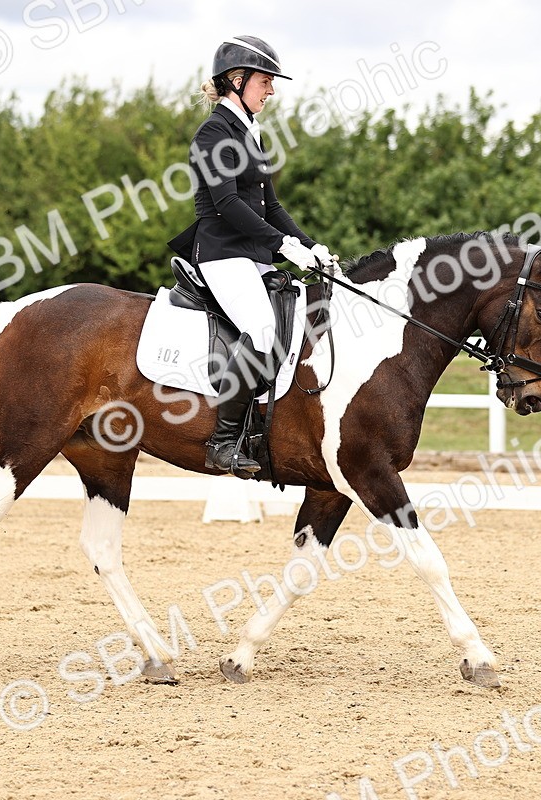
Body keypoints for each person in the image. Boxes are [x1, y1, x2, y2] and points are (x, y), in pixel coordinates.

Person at [169, 35, 337, 475]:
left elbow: (272, 206)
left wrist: (308, 245)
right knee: (262, 331)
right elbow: (226, 203)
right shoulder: (213, 133)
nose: (271, 90)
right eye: (265, 81)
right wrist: (283, 246)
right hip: (223, 254)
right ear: (236, 80)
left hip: (253, 255)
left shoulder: (250, 132)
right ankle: (222, 443)